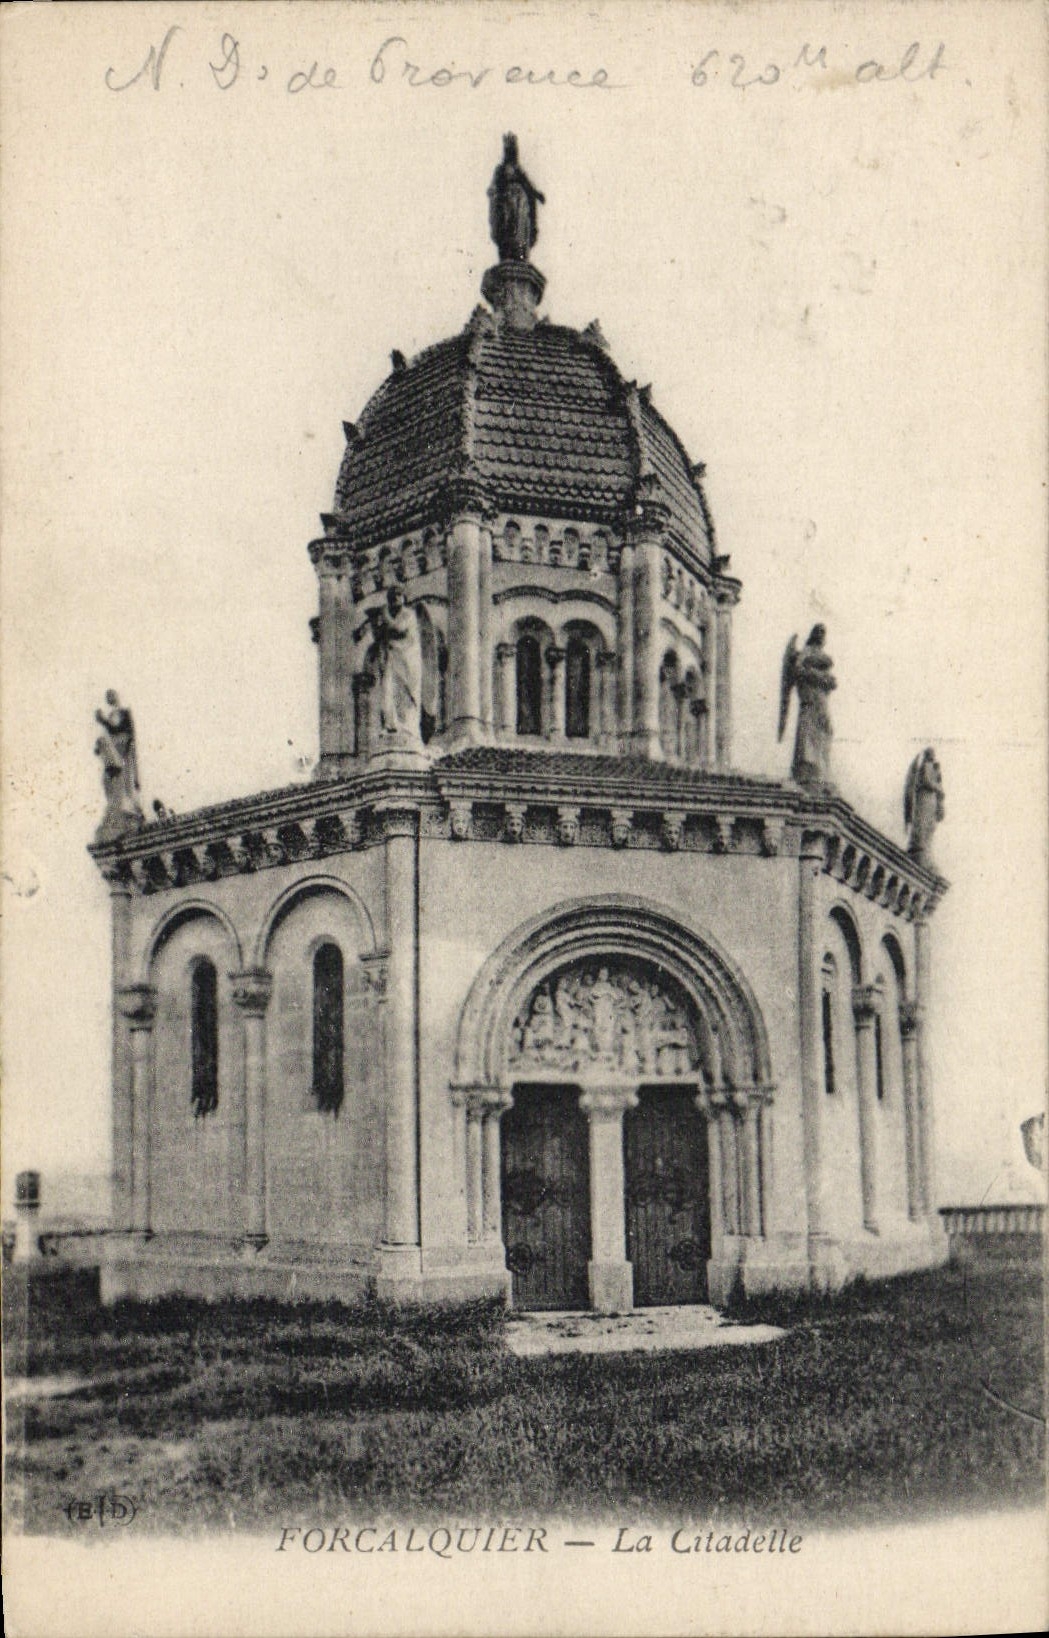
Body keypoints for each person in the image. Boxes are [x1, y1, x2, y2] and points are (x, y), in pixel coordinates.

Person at [355, 587, 423, 743]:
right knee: (387, 691)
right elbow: (380, 636)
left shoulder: (408, 615)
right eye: (392, 596)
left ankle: (407, 727)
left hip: (405, 662)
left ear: (404, 598)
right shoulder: (388, 616)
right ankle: (390, 725)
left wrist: (383, 614)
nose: (395, 599)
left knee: (404, 695)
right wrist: (374, 623)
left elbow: (398, 629)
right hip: (389, 660)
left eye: (399, 595)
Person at [778, 625, 837, 786]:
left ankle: (821, 767)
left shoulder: (819, 654)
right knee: (808, 730)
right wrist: (818, 676)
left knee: (826, 730)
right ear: (814, 635)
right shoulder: (806, 652)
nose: (822, 636)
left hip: (821, 699)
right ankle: (807, 766)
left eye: (824, 633)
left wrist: (827, 680)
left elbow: (832, 681)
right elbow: (798, 670)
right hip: (810, 699)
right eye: (820, 632)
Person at [488, 133, 545, 263]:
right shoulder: (501, 170)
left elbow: (528, 185)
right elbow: (494, 188)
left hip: (520, 204)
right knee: (507, 227)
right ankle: (508, 252)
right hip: (506, 204)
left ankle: (519, 252)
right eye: (509, 149)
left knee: (519, 230)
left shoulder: (519, 170)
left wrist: (537, 194)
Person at [94, 690, 143, 831]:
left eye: (111, 696)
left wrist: (103, 722)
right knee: (116, 782)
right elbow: (110, 733)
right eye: (108, 697)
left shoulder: (124, 713)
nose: (110, 698)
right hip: (116, 752)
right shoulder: (111, 717)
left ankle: (132, 807)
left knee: (127, 782)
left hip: (124, 750)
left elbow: (123, 731)